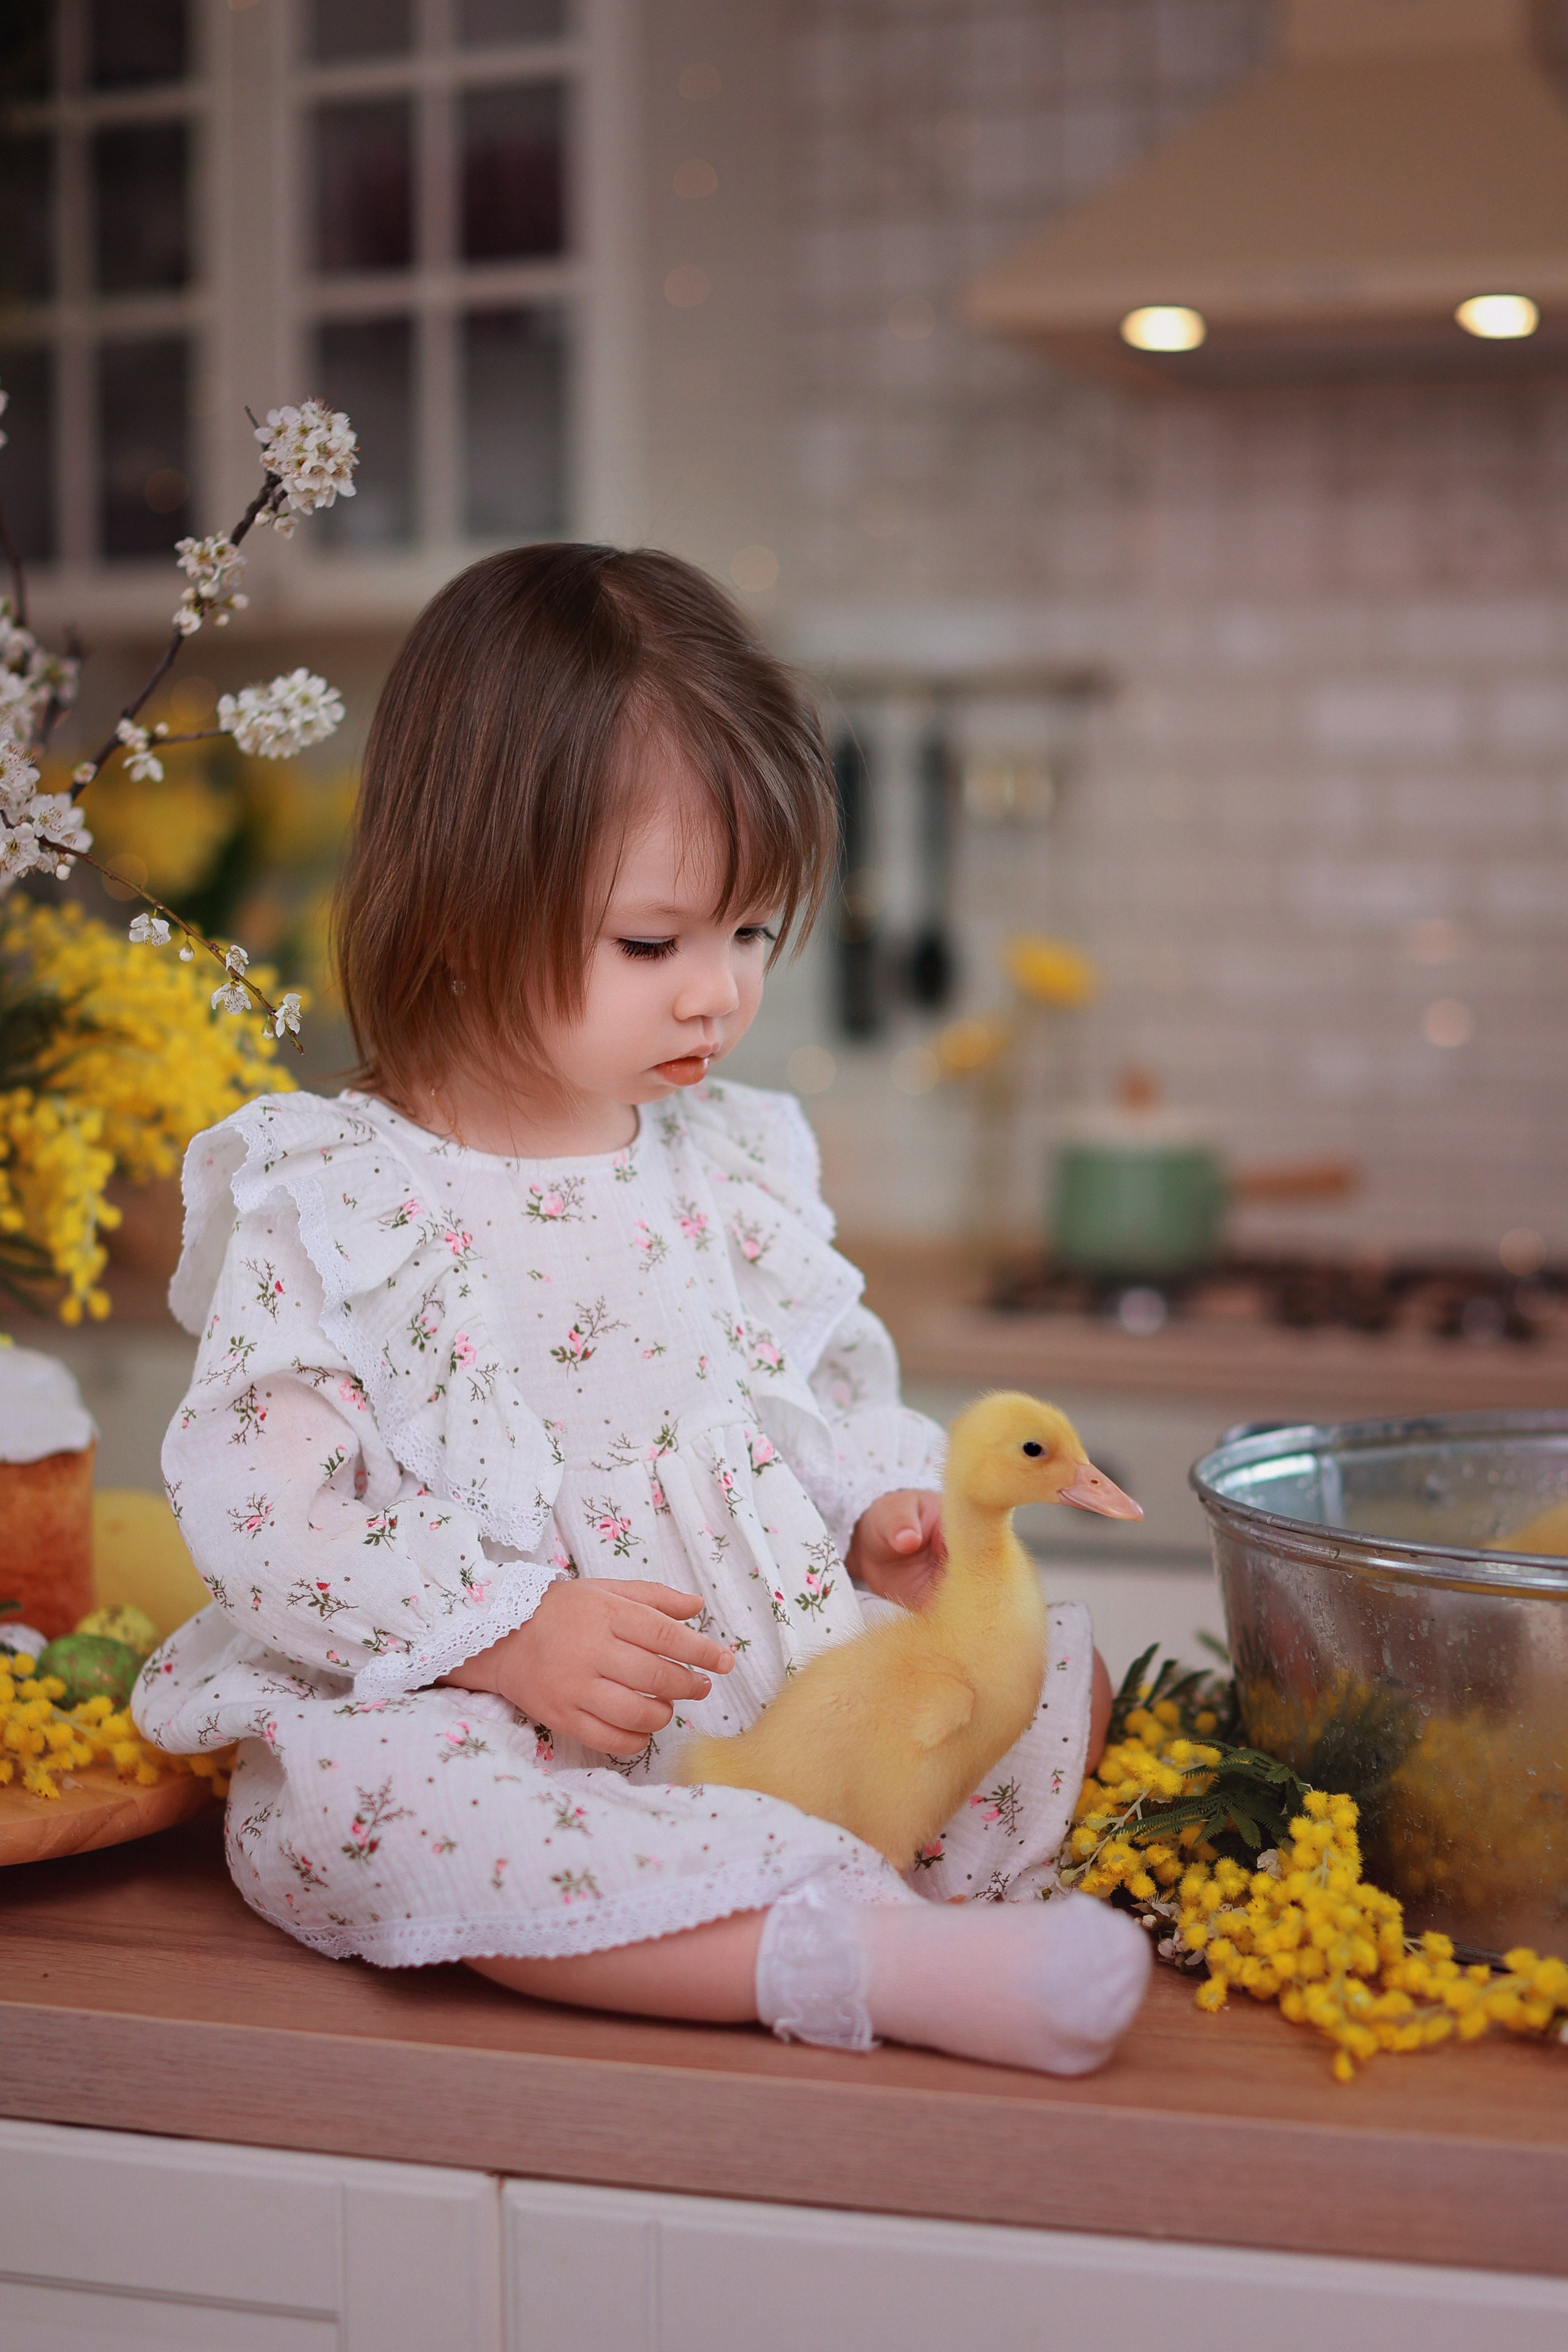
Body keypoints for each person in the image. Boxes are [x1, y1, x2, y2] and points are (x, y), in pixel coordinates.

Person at [135, 545, 1149, 2075]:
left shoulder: (726, 1159)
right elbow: (274, 1516)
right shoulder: (338, 1196)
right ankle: (854, 1958)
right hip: (499, 1713)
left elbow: (811, 1386)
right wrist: (505, 1631)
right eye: (652, 943)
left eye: (748, 935)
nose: (717, 997)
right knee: (404, 1809)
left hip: (749, 1681)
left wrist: (877, 1504)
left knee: (1023, 1681)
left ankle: (849, 1880)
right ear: (464, 910)